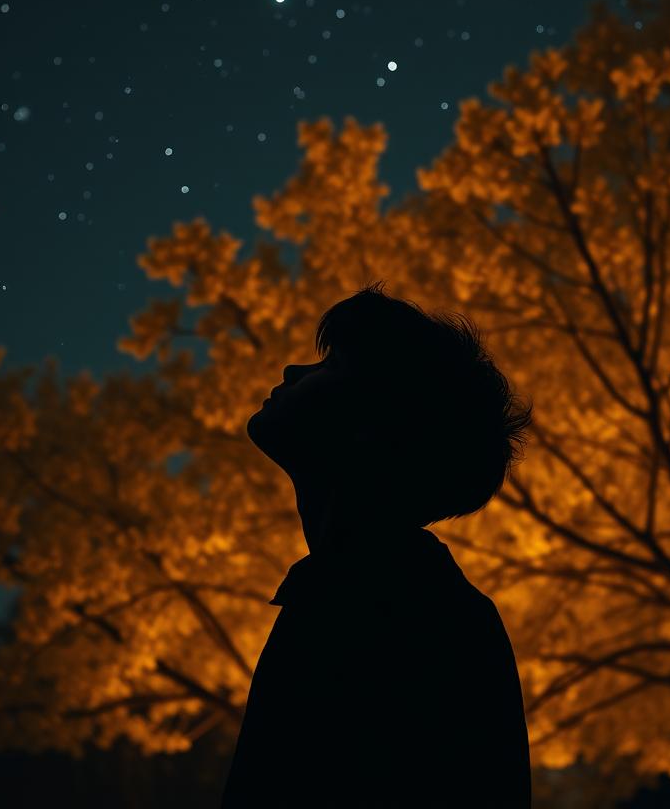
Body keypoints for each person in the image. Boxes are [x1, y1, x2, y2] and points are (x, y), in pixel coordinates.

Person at [221, 281, 534, 808]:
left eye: (332, 367)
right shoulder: (371, 595)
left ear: (376, 429)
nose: (292, 373)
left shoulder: (401, 616)